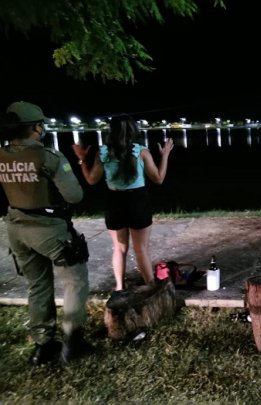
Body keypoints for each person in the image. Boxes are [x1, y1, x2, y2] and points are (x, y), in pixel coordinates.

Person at [0, 101, 91, 364]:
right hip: (49, 229)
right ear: (36, 128)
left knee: (37, 285)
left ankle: (43, 345)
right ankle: (73, 341)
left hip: (15, 228)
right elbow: (74, 196)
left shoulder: (2, 155)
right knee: (75, 281)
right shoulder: (48, 157)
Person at [72, 114, 174, 292]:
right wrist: (165, 155)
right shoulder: (142, 151)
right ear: (133, 130)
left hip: (114, 202)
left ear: (111, 131)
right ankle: (151, 288)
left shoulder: (104, 152)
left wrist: (82, 159)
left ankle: (119, 287)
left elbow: (91, 180)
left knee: (119, 249)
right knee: (141, 248)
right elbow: (158, 178)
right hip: (137, 201)